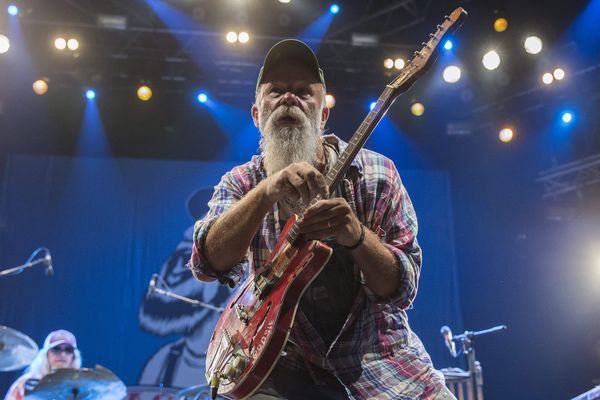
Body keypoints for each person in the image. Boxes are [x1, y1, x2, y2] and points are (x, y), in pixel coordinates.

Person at [188, 39, 454, 399]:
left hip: (378, 359)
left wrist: (357, 236)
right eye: (276, 91)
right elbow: (206, 263)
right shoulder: (241, 183)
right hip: (277, 359)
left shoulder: (378, 175)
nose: (289, 98)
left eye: (302, 91)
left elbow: (402, 288)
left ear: (323, 113)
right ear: (256, 114)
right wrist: (267, 191)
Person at [4, 330, 82, 400]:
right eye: (56, 349)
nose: (62, 354)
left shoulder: (82, 385)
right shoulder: (25, 382)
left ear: (74, 357)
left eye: (68, 350)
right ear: (46, 355)